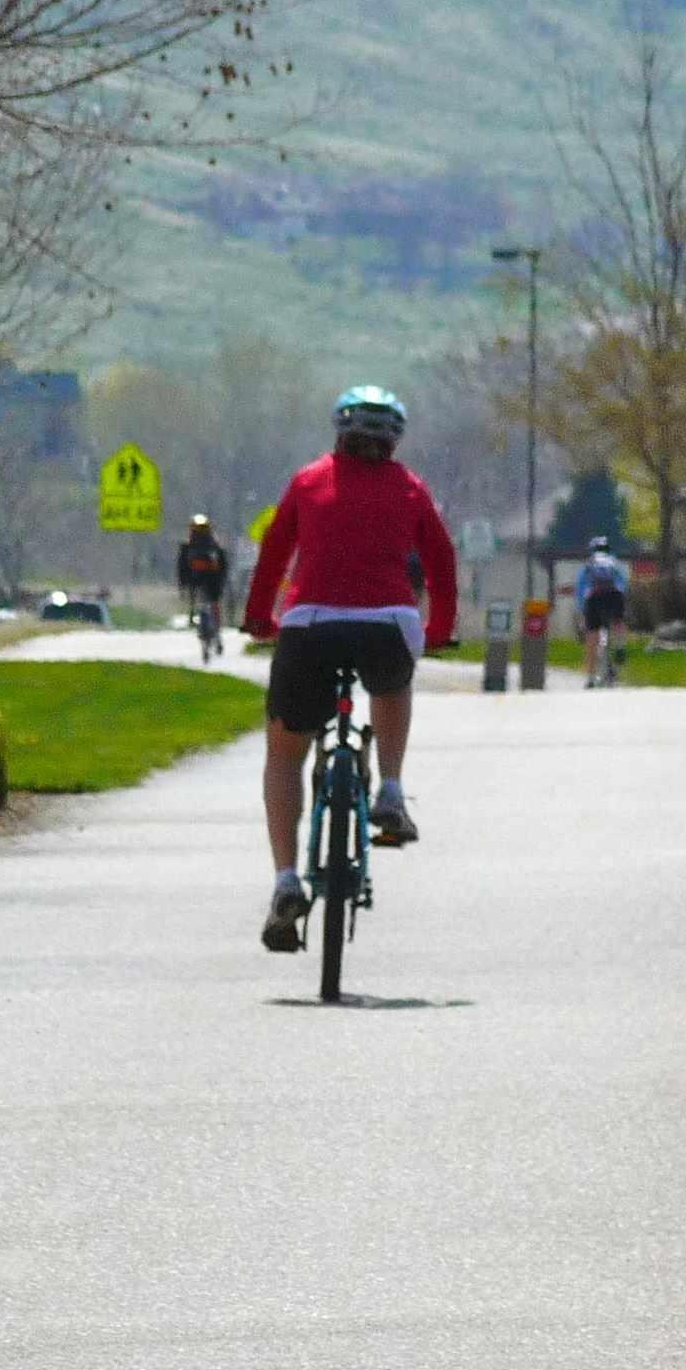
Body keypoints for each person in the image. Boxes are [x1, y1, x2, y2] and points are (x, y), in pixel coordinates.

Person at [240, 384, 458, 952]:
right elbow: (440, 559)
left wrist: (259, 617)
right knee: (393, 679)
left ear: (339, 432)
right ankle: (389, 786)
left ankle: (287, 879)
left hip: (309, 625)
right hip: (386, 623)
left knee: (285, 754)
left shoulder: (308, 480)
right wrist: (439, 629)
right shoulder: (410, 488)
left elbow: (273, 554)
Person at [575, 535, 632, 687]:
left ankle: (591, 678)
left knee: (592, 638)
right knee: (618, 622)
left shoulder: (589, 564)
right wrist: (622, 599)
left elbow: (580, 588)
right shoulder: (613, 562)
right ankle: (620, 646)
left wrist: (581, 609)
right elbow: (623, 581)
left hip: (594, 598)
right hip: (614, 596)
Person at [175, 513, 232, 652]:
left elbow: (223, 565)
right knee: (201, 600)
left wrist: (222, 579)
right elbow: (182, 567)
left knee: (214, 603)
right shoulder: (188, 547)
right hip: (197, 579)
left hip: (211, 579)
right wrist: (183, 584)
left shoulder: (214, 546)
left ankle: (217, 632)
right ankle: (196, 616)